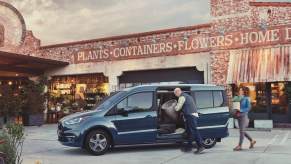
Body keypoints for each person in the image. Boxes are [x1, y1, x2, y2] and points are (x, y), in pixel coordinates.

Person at [174, 88, 205, 154]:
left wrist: (174, 106)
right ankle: (189, 147)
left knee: (194, 130)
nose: (176, 96)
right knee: (189, 131)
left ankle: (200, 146)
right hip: (191, 114)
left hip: (190, 115)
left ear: (177, 92)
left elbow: (177, 108)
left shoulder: (181, 97)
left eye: (175, 94)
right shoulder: (188, 96)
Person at [233, 86, 256, 151]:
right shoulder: (237, 97)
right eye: (239, 90)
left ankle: (239, 146)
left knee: (242, 131)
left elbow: (248, 108)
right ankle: (252, 140)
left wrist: (241, 110)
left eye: (241, 90)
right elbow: (234, 103)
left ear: (244, 91)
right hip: (237, 115)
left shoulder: (247, 98)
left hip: (243, 116)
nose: (240, 91)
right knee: (242, 131)